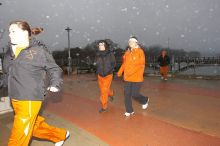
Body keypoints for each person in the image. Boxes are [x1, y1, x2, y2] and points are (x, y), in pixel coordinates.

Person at [3, 20, 69, 146]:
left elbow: (54, 68)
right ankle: (61, 135)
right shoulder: (8, 53)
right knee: (33, 127)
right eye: (9, 32)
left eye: (13, 31)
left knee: (18, 137)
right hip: (15, 97)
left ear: (24, 33)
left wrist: (55, 83)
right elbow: (8, 73)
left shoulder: (38, 51)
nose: (10, 35)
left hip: (29, 97)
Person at [117, 36, 149, 117]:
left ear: (136, 43)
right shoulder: (127, 53)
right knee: (127, 94)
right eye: (129, 42)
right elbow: (124, 63)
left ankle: (145, 100)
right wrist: (120, 72)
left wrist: (130, 72)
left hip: (137, 78)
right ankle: (129, 110)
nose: (130, 43)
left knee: (134, 94)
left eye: (132, 41)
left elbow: (141, 65)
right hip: (127, 77)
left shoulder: (140, 52)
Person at [95, 40, 116, 113]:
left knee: (104, 91)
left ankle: (104, 106)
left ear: (105, 46)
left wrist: (110, 71)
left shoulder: (110, 54)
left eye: (102, 45)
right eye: (99, 45)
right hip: (100, 75)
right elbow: (96, 63)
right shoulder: (97, 54)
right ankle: (111, 93)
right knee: (104, 90)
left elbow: (113, 63)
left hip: (108, 75)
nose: (100, 46)